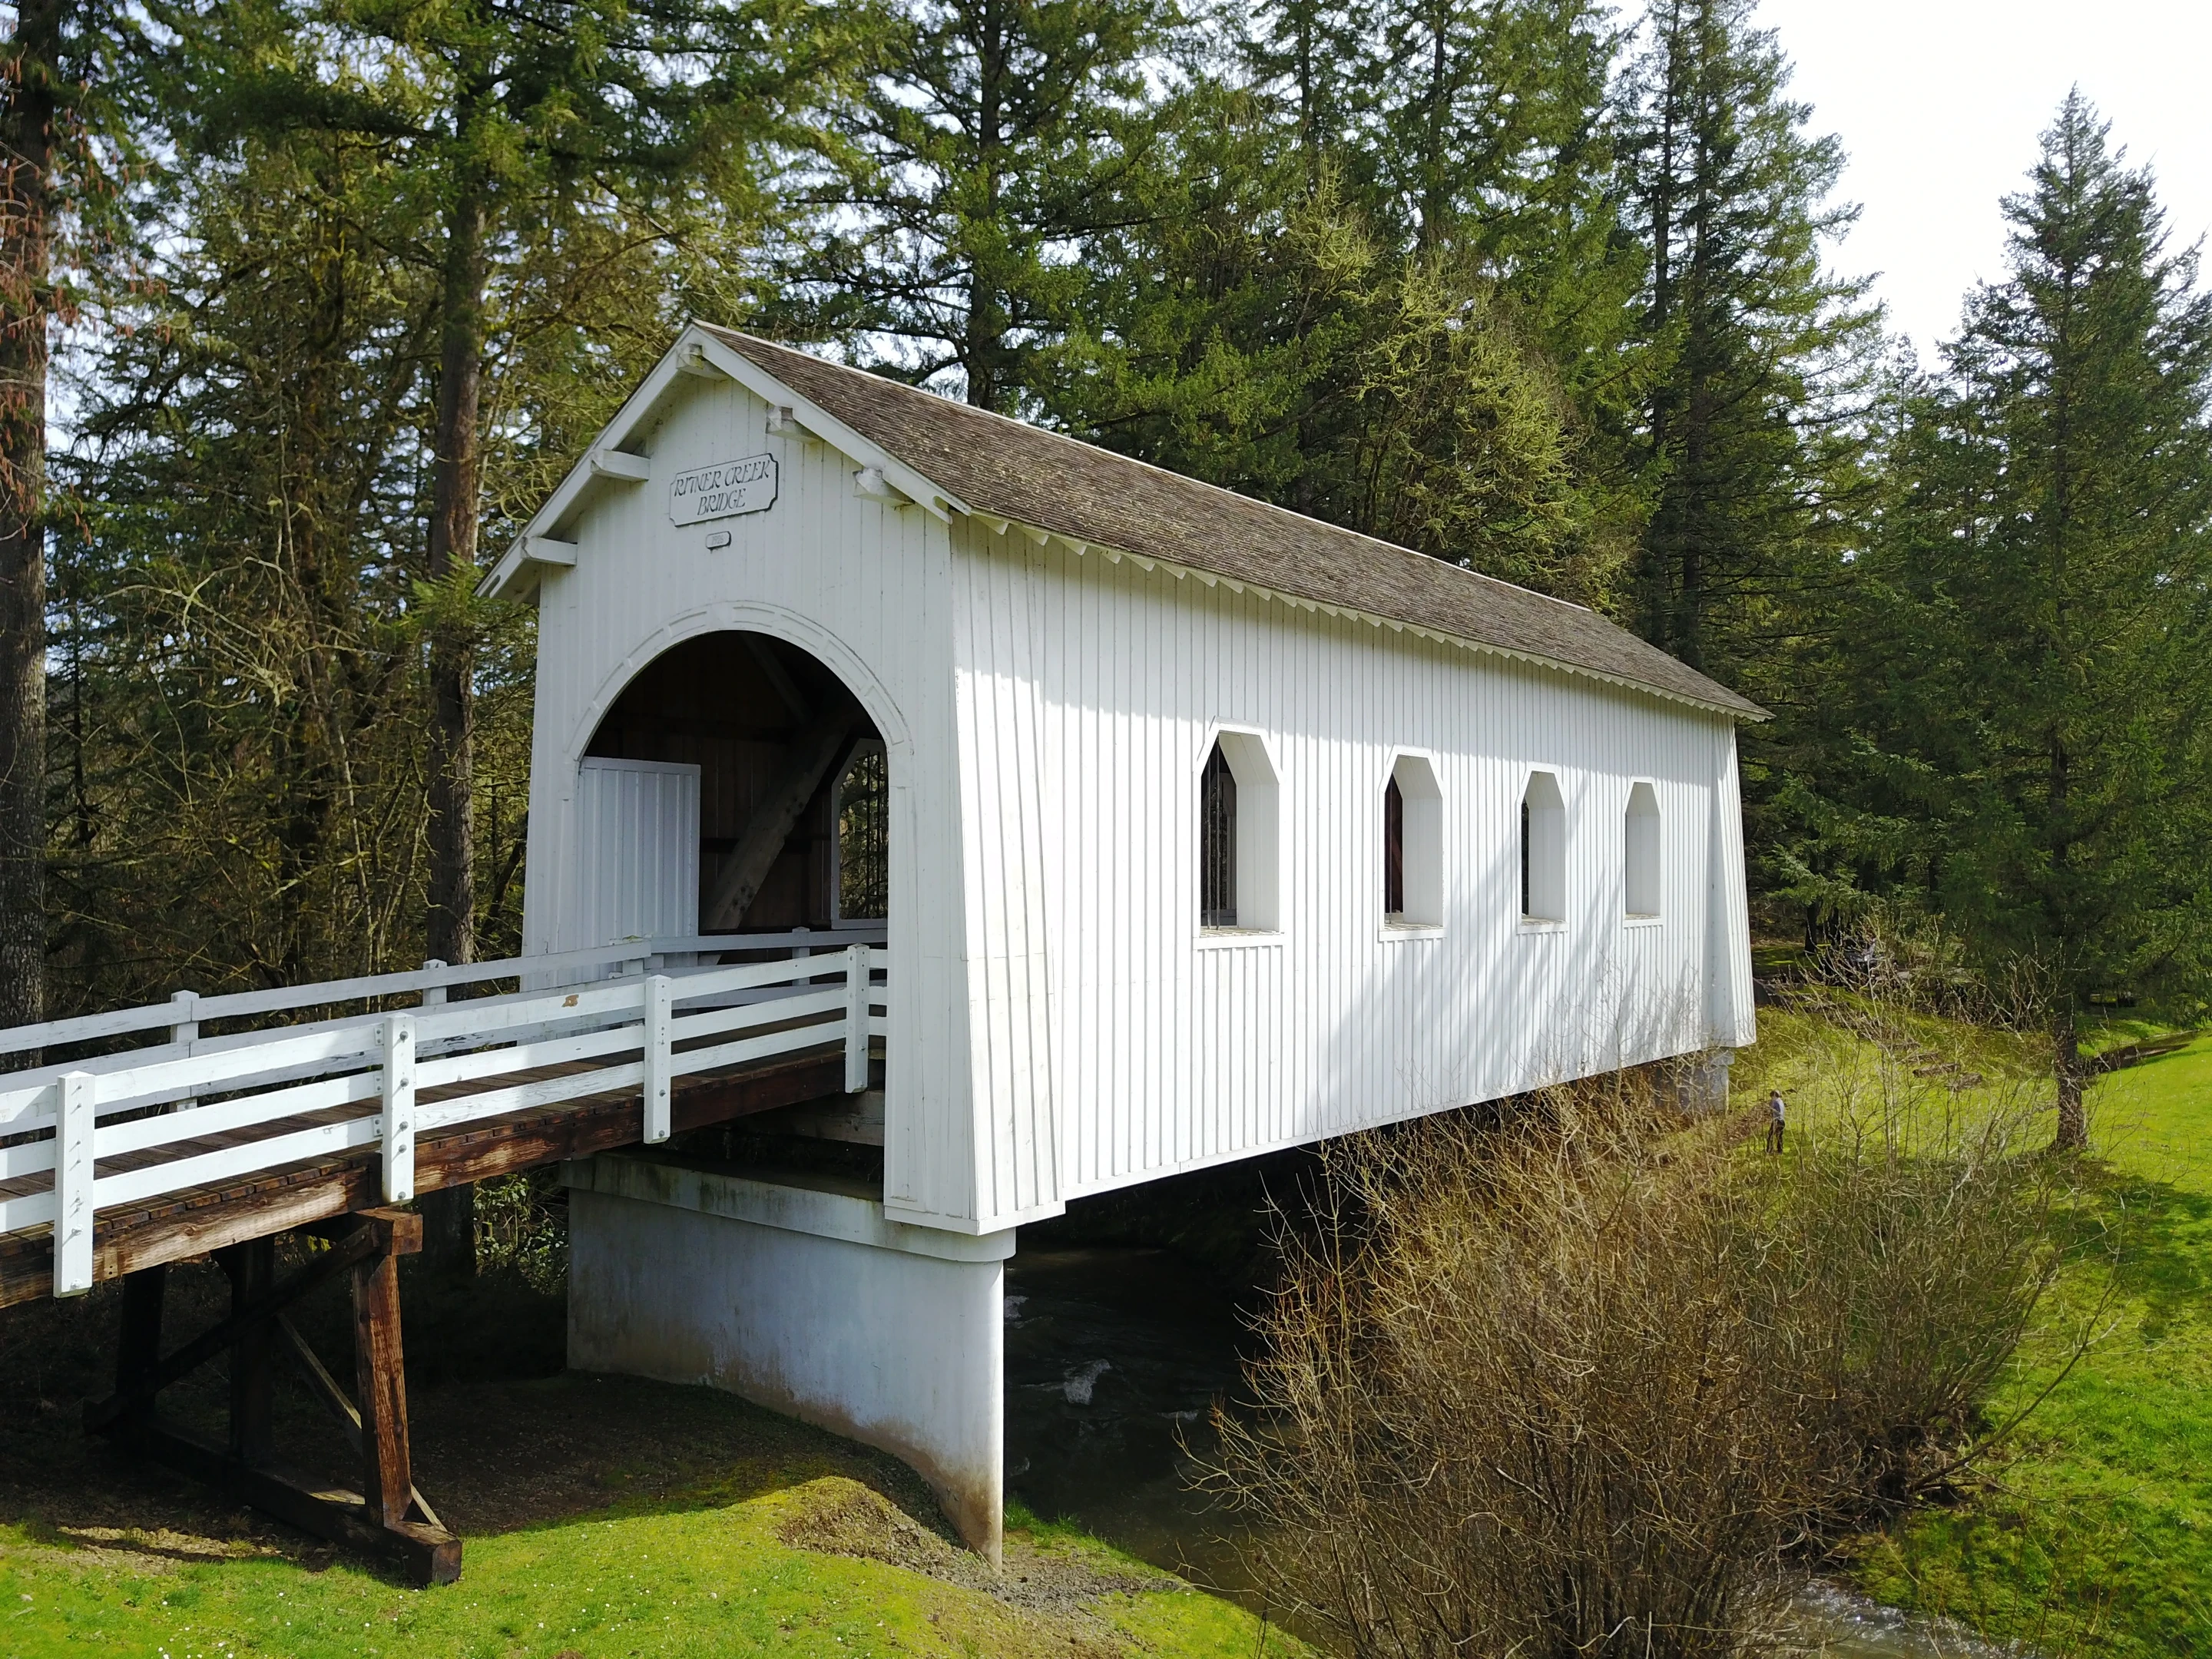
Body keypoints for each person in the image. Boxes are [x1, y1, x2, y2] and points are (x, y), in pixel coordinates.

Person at [1765, 1089, 1786, 1154]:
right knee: (1779, 1136)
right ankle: (1780, 1150)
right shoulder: (1781, 1101)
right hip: (1782, 1120)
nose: (1771, 1098)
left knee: (1770, 1135)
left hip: (1777, 1120)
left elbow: (1774, 1111)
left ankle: (1769, 1149)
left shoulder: (1775, 1102)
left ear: (1774, 1096)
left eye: (1772, 1097)